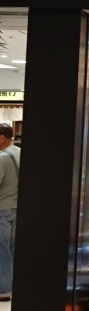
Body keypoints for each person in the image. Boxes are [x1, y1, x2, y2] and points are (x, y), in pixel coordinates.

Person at [0, 124, 20, 300]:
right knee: (12, 249)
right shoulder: (21, 153)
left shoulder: (2, 157)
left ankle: (4, 289)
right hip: (16, 207)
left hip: (3, 208)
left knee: (2, 250)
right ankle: (12, 285)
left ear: (1, 138)